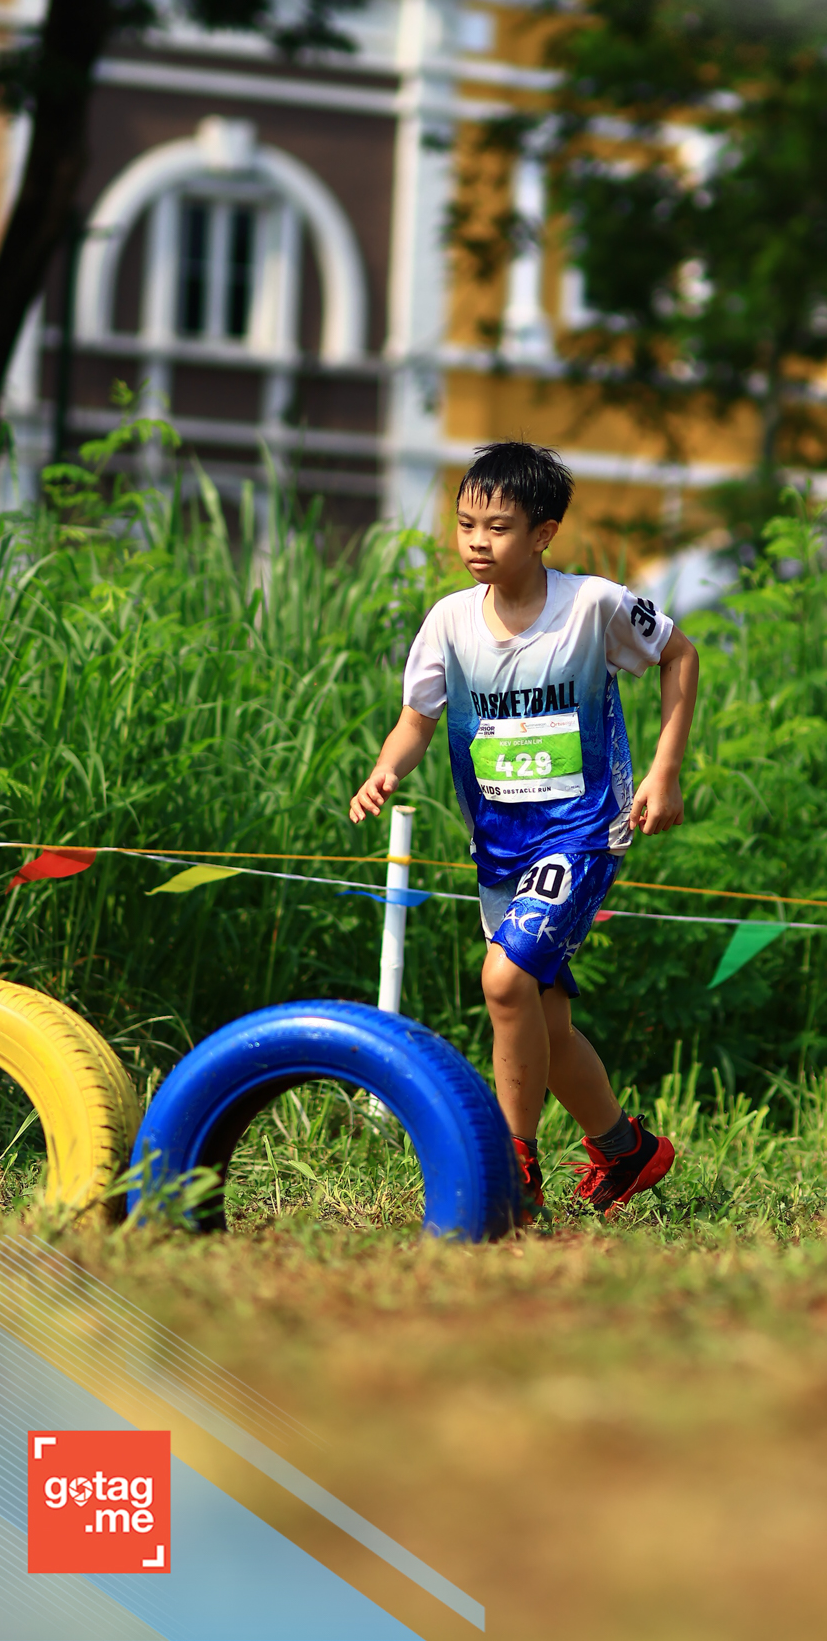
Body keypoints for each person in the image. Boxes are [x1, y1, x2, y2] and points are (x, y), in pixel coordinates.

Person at [350, 441, 700, 1221]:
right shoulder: (448, 621)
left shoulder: (594, 606)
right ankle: (626, 1150)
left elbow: (680, 655)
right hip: (499, 846)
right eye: (466, 524)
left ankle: (514, 1171)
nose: (477, 541)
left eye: (498, 527)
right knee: (542, 1019)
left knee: (503, 983)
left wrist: (666, 771)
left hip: (581, 830)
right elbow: (417, 718)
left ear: (544, 534)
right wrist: (385, 770)